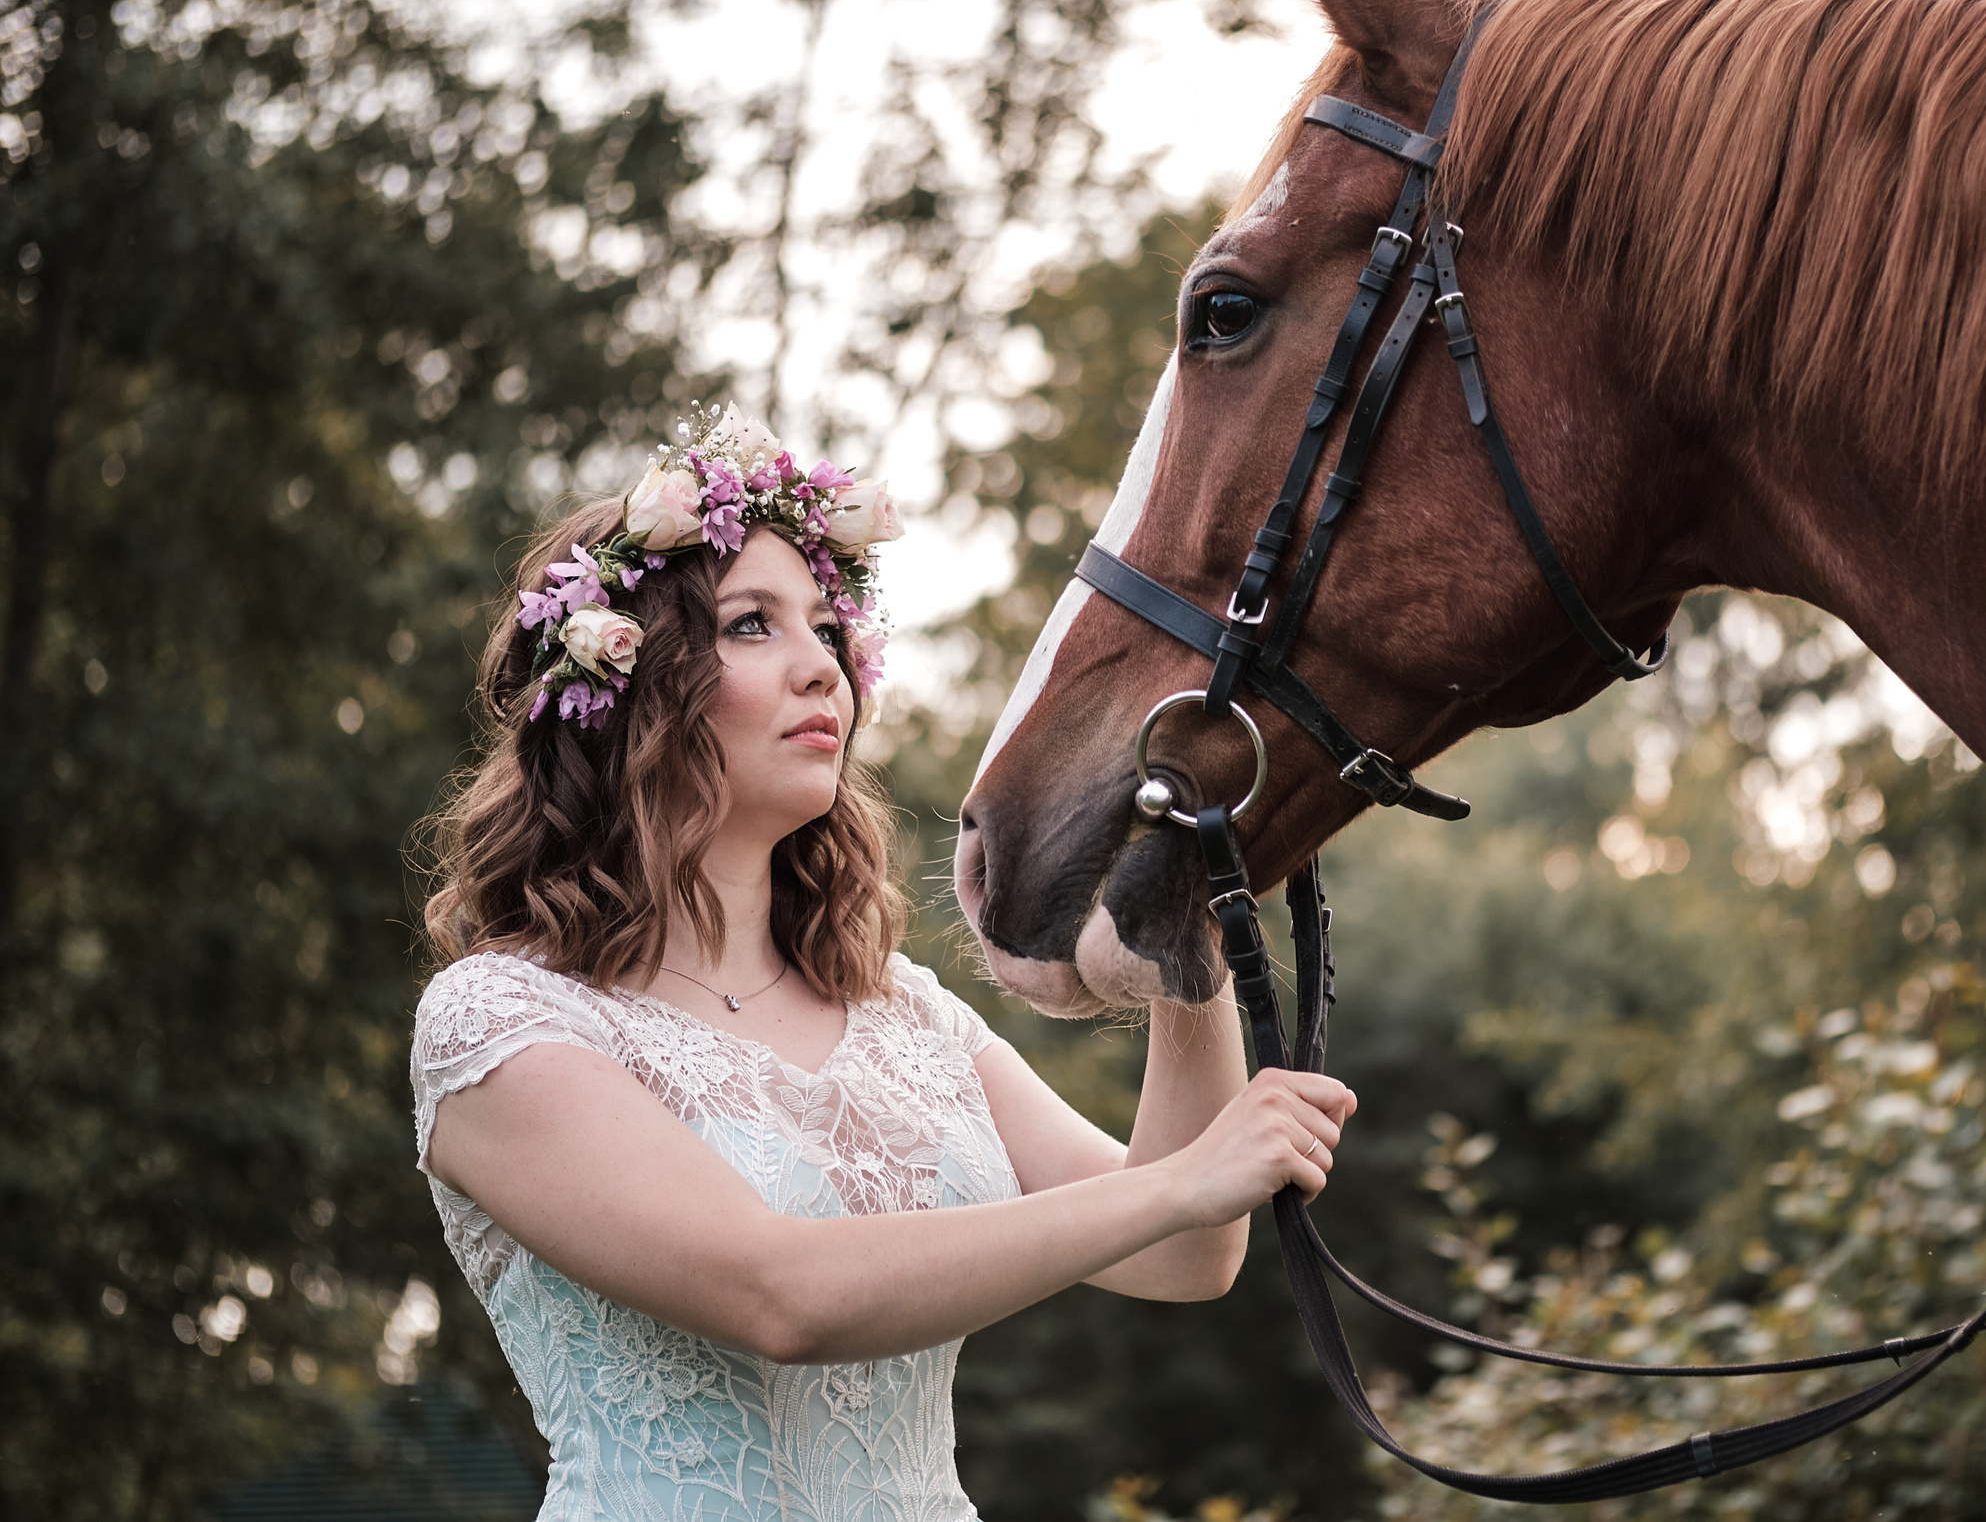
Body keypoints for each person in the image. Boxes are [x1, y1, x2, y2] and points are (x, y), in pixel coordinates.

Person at [411, 406, 1354, 1521]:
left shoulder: (903, 1011)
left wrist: (1182, 921)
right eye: (752, 626)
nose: (824, 667)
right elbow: (781, 1294)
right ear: (621, 689)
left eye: (825, 626)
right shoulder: (503, 1022)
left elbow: (1183, 1257)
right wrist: (1181, 1182)